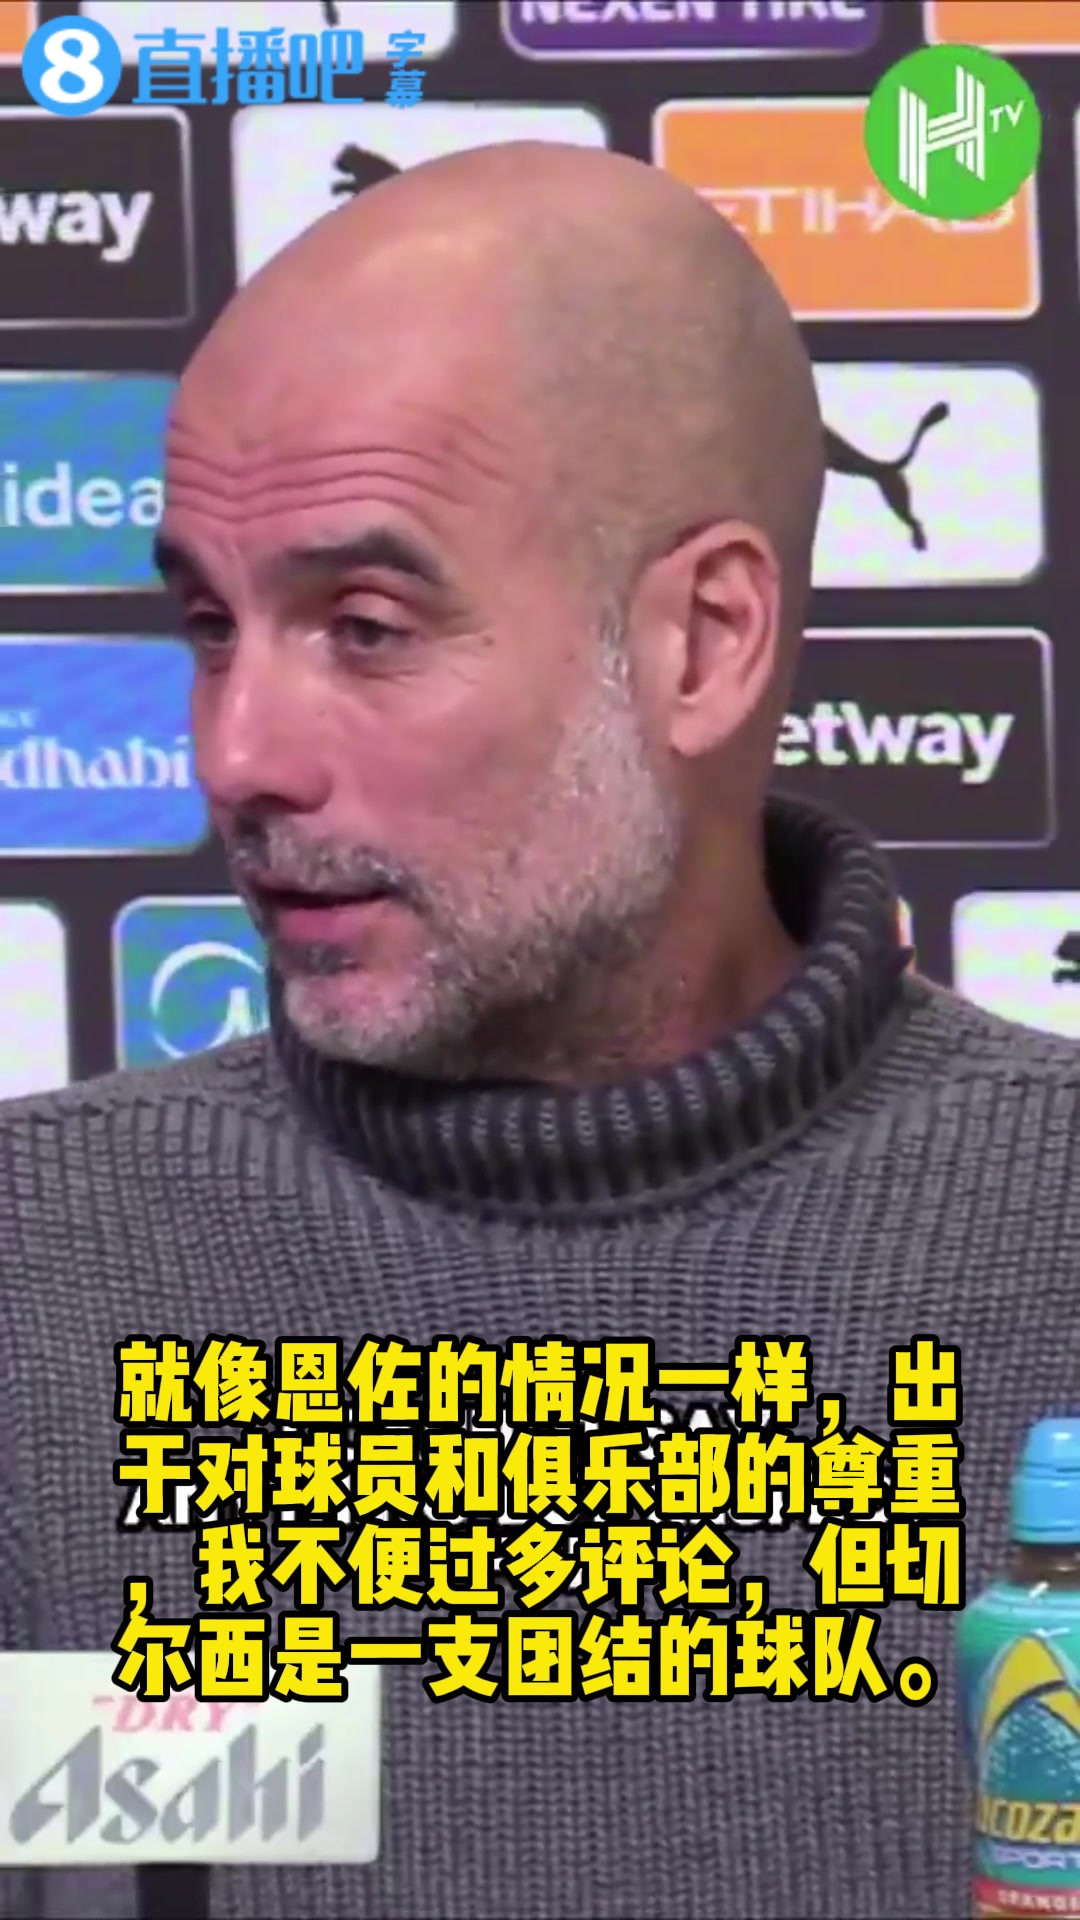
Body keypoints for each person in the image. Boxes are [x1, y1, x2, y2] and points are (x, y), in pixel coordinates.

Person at [1, 141, 1077, 1920]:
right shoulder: (38, 1268)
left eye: (366, 628)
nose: (236, 753)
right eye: (209, 623)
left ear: (702, 643)